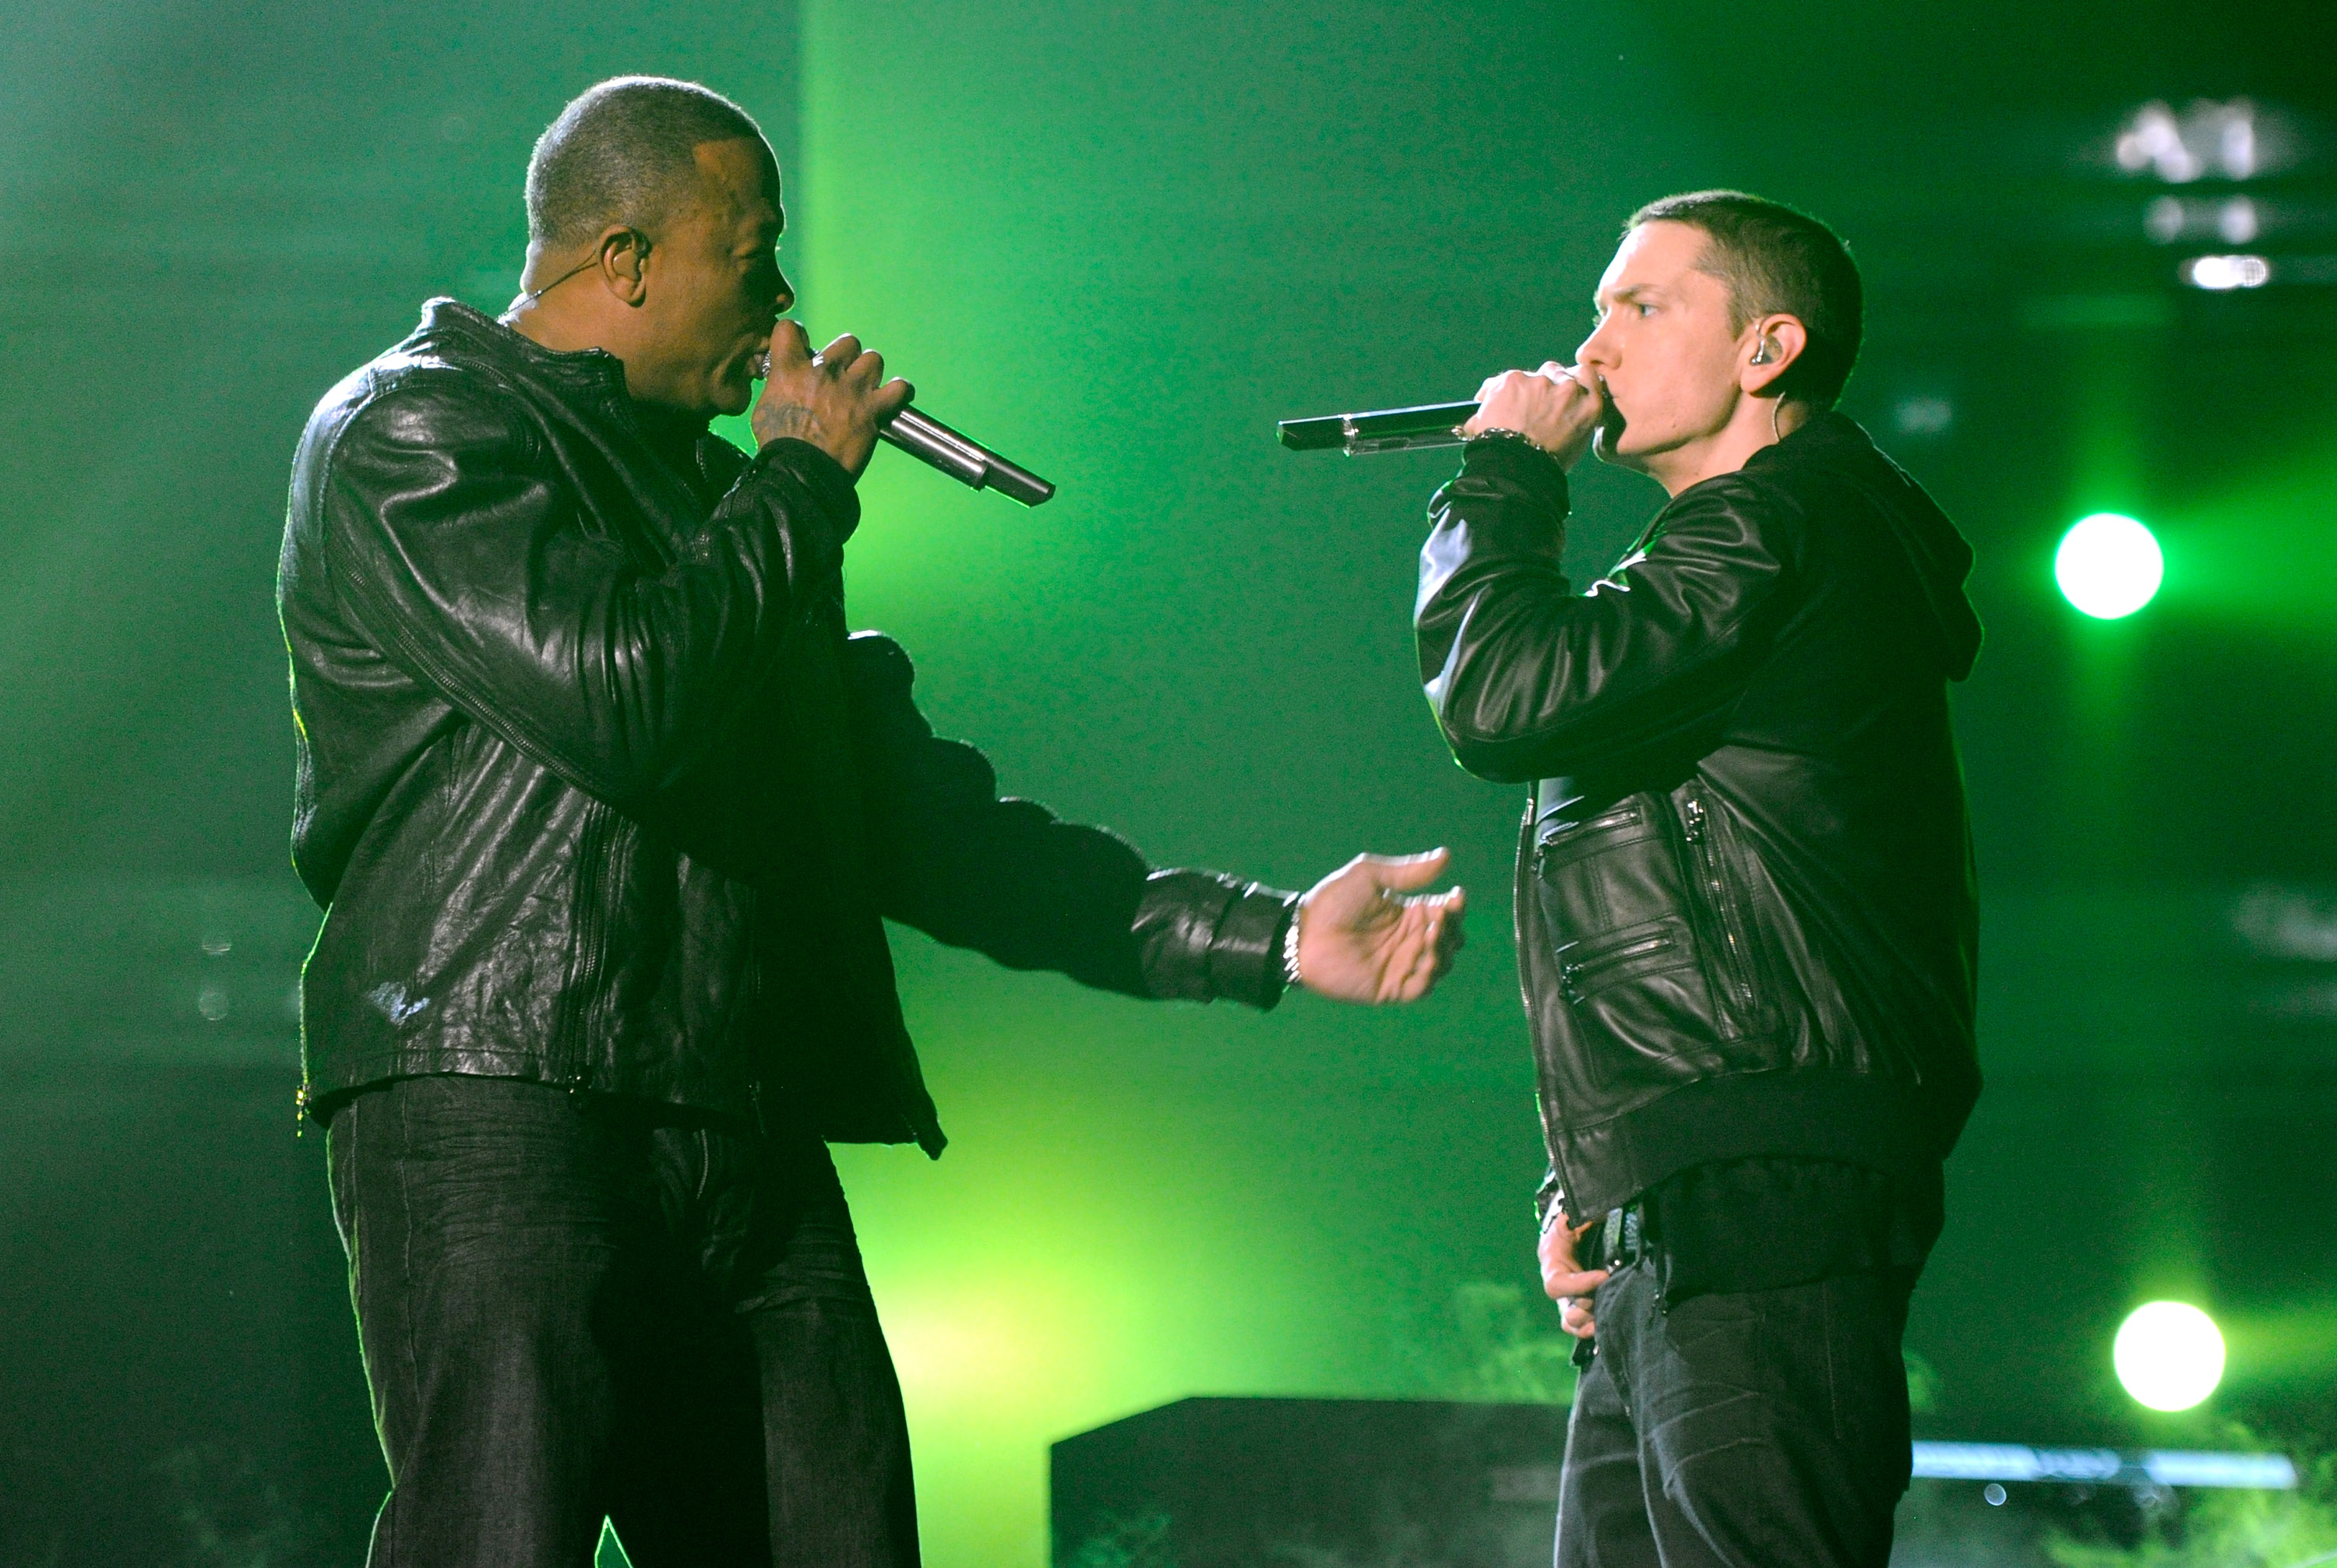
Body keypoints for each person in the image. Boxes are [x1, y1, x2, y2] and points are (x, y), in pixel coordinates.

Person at [279, 76, 1463, 1568]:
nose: (784, 299)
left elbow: (928, 827)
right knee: (497, 1538)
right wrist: (793, 482)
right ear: (626, 259)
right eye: (753, 252)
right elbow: (616, 701)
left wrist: (1266, 934)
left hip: (737, 1114)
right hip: (500, 1097)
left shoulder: (726, 510)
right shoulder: (419, 430)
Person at [1412, 191, 1983, 1568]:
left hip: (1764, 1186)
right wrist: (1598, 1179)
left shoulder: (1781, 528)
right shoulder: (1735, 550)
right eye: (1597, 309)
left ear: (1767, 348)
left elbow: (1500, 694)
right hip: (1694, 1190)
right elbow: (1670, 898)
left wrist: (1504, 475)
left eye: (1642, 305)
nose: (1592, 346)